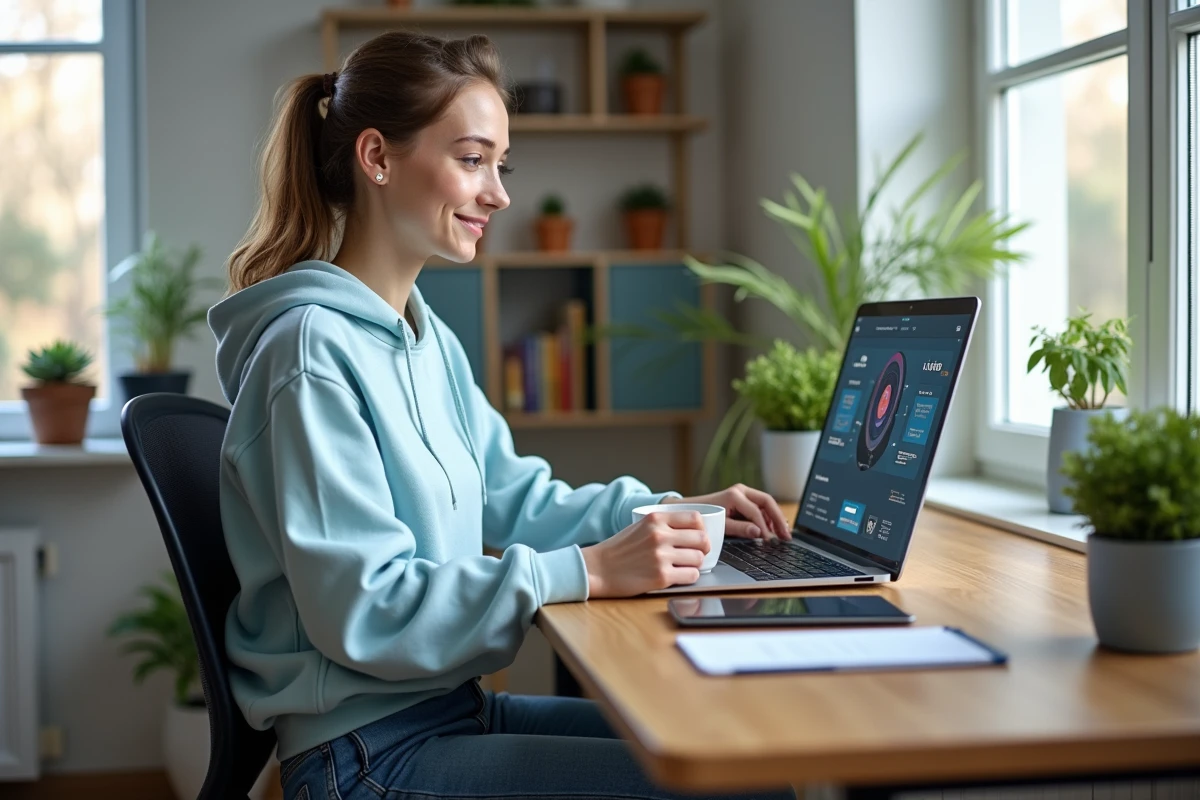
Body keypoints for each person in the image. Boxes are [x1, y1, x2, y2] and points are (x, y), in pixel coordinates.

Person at [209, 30, 795, 800]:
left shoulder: (426, 336)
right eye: (472, 159)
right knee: (739, 790)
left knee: (741, 756)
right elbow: (366, 607)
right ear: (378, 157)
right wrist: (586, 570)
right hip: (364, 757)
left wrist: (672, 513)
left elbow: (518, 499)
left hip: (448, 714)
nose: (500, 194)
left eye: (500, 164)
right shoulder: (310, 354)